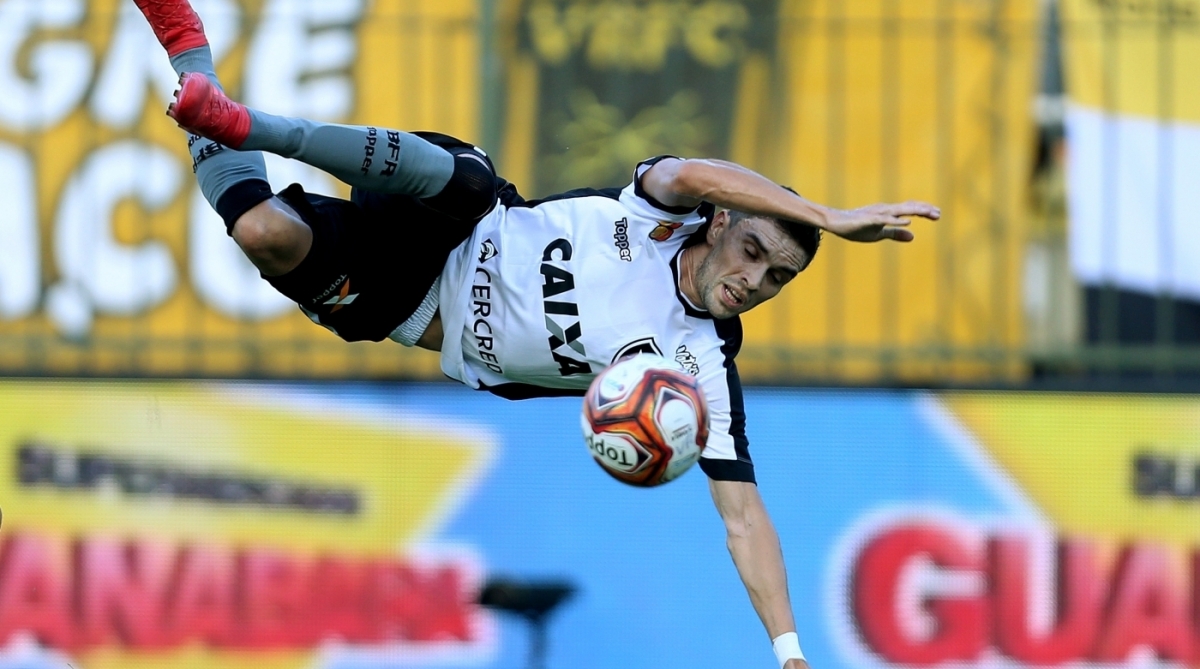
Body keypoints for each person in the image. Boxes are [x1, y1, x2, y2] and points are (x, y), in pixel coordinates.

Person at [133, 1, 939, 666]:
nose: (753, 281)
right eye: (753, 251)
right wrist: (826, 214)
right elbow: (693, 170)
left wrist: (791, 652)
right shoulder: (662, 209)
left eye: (777, 278)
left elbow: (743, 516)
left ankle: (189, 56)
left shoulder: (700, 367)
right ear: (722, 221)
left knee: (263, 234)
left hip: (409, 309)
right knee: (467, 179)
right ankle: (251, 125)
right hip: (464, 218)